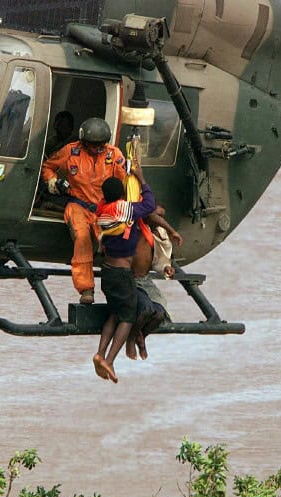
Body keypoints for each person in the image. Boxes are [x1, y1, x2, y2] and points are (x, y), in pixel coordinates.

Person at [41, 117, 127, 304]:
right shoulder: (70, 151)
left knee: (112, 243)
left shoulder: (115, 155)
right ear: (83, 142)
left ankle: (120, 288)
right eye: (92, 144)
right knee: (82, 238)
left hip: (103, 208)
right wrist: (53, 182)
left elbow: (126, 181)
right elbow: (48, 167)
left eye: (100, 145)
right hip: (78, 204)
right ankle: (86, 289)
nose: (97, 148)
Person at [92, 165, 155, 383]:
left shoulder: (102, 213)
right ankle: (109, 361)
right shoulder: (123, 209)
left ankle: (100, 354)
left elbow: (107, 202)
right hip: (121, 274)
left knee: (115, 314)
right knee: (127, 318)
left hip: (107, 273)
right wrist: (141, 178)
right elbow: (148, 205)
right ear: (121, 196)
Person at [125, 206, 183, 361]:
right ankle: (131, 339)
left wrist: (166, 268)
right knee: (145, 309)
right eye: (158, 216)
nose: (160, 220)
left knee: (159, 313)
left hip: (144, 280)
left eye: (162, 217)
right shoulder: (131, 224)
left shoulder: (156, 235)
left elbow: (159, 261)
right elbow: (150, 216)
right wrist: (171, 230)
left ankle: (141, 336)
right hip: (128, 280)